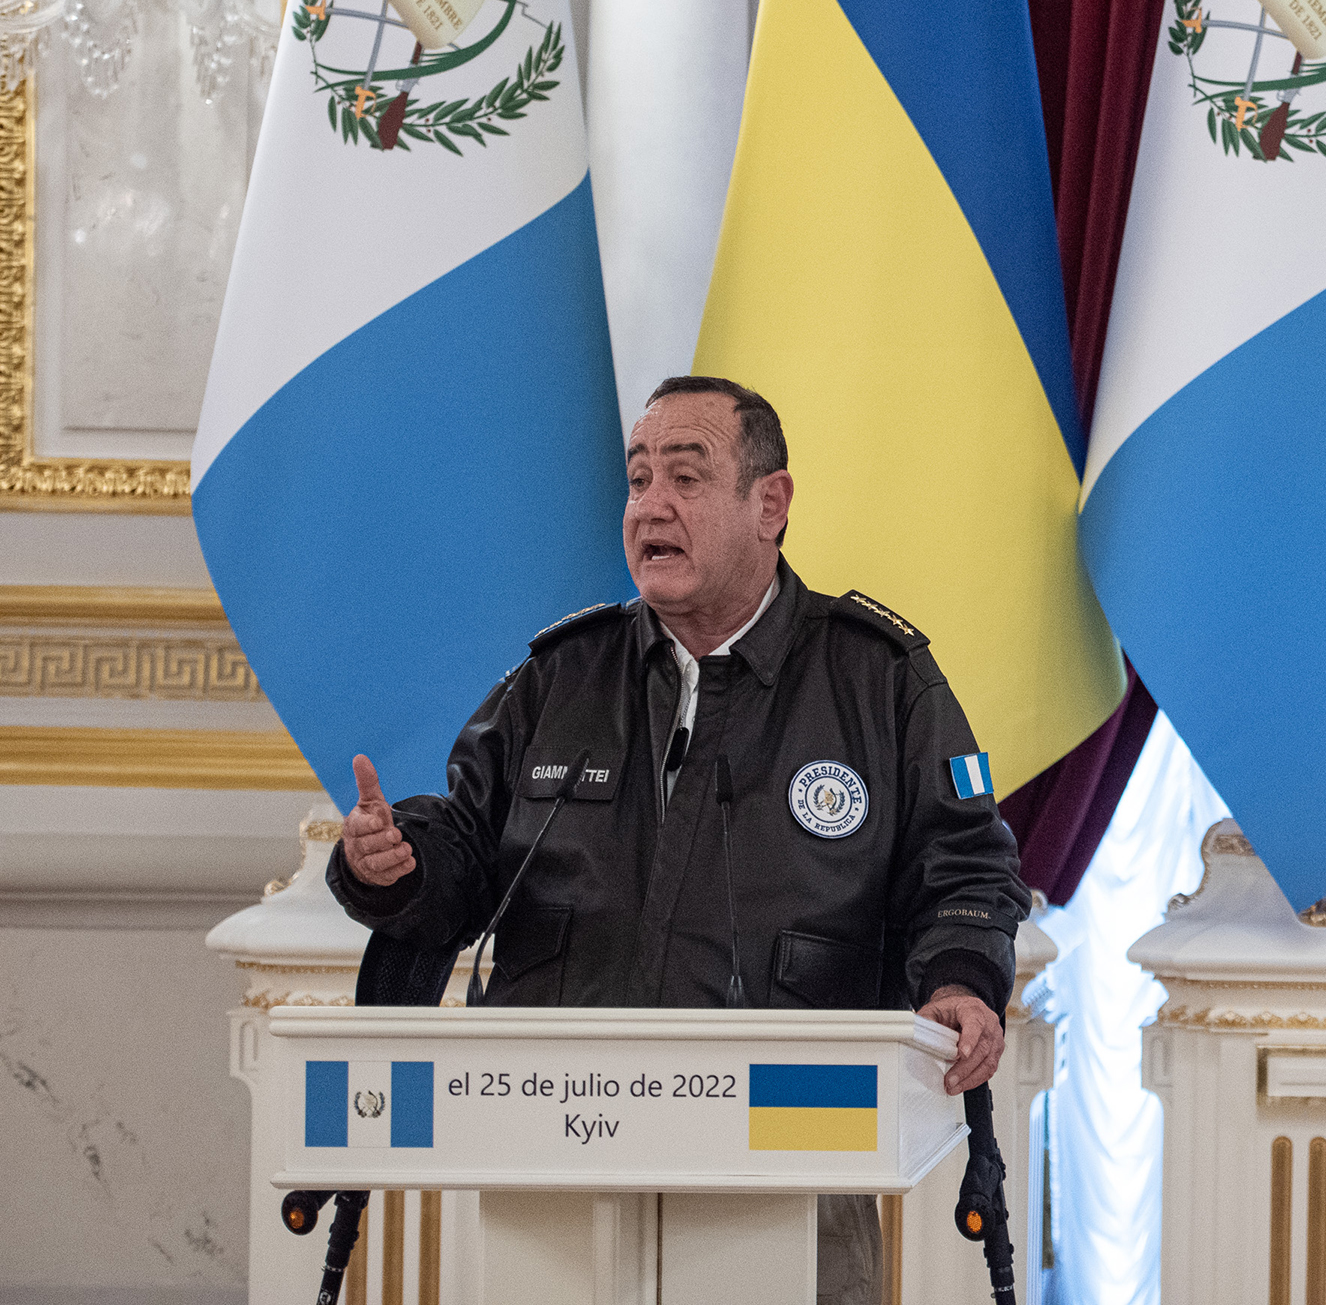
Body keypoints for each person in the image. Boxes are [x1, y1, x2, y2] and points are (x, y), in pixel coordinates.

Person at [330, 374, 1031, 1305]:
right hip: (556, 1139)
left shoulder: (877, 679)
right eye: (637, 478)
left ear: (769, 504)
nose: (649, 506)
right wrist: (393, 864)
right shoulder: (564, 676)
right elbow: (461, 845)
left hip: (792, 1143)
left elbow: (967, 863)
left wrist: (958, 980)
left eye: (686, 477)